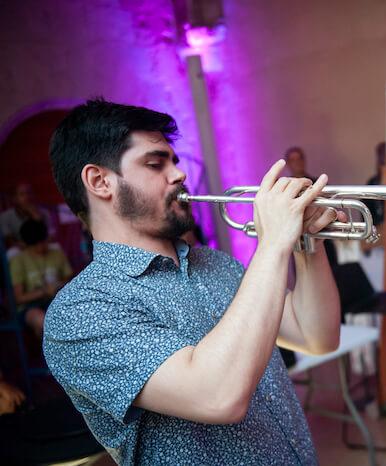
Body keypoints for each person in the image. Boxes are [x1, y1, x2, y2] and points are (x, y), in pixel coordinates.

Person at [43, 99, 343, 465]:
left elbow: (317, 337)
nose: (178, 174)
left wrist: (305, 245)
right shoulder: (82, 312)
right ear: (99, 181)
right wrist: (273, 242)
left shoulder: (215, 264)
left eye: (174, 161)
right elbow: (218, 395)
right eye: (156, 164)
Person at [9, 219, 72, 337]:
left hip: (56, 301)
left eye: (43, 242)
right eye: (36, 245)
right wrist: (44, 291)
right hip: (29, 308)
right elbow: (19, 298)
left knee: (71, 317)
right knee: (43, 321)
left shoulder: (56, 253)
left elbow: (70, 279)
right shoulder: (18, 261)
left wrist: (58, 285)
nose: (41, 247)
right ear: (26, 244)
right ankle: (51, 353)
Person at [0, 183, 55, 250]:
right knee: (12, 252)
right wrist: (25, 246)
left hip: (43, 247)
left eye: (29, 193)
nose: (27, 196)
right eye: (22, 194)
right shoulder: (5, 217)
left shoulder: (44, 213)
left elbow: (51, 235)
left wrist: (37, 217)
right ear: (15, 198)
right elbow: (9, 240)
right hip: (20, 249)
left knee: (55, 247)